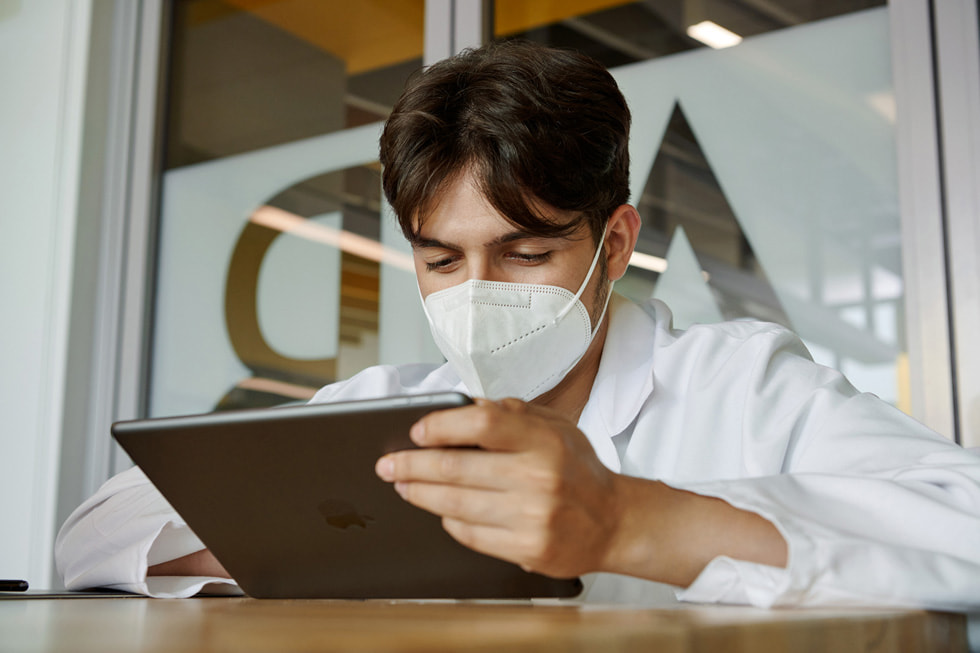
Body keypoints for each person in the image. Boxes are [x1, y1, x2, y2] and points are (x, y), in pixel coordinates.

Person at [56, 41, 980, 610]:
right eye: (441, 260)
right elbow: (94, 536)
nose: (478, 293)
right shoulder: (387, 405)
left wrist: (630, 521)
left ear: (615, 244)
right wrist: (359, 534)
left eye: (526, 253)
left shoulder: (740, 385)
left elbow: (964, 522)